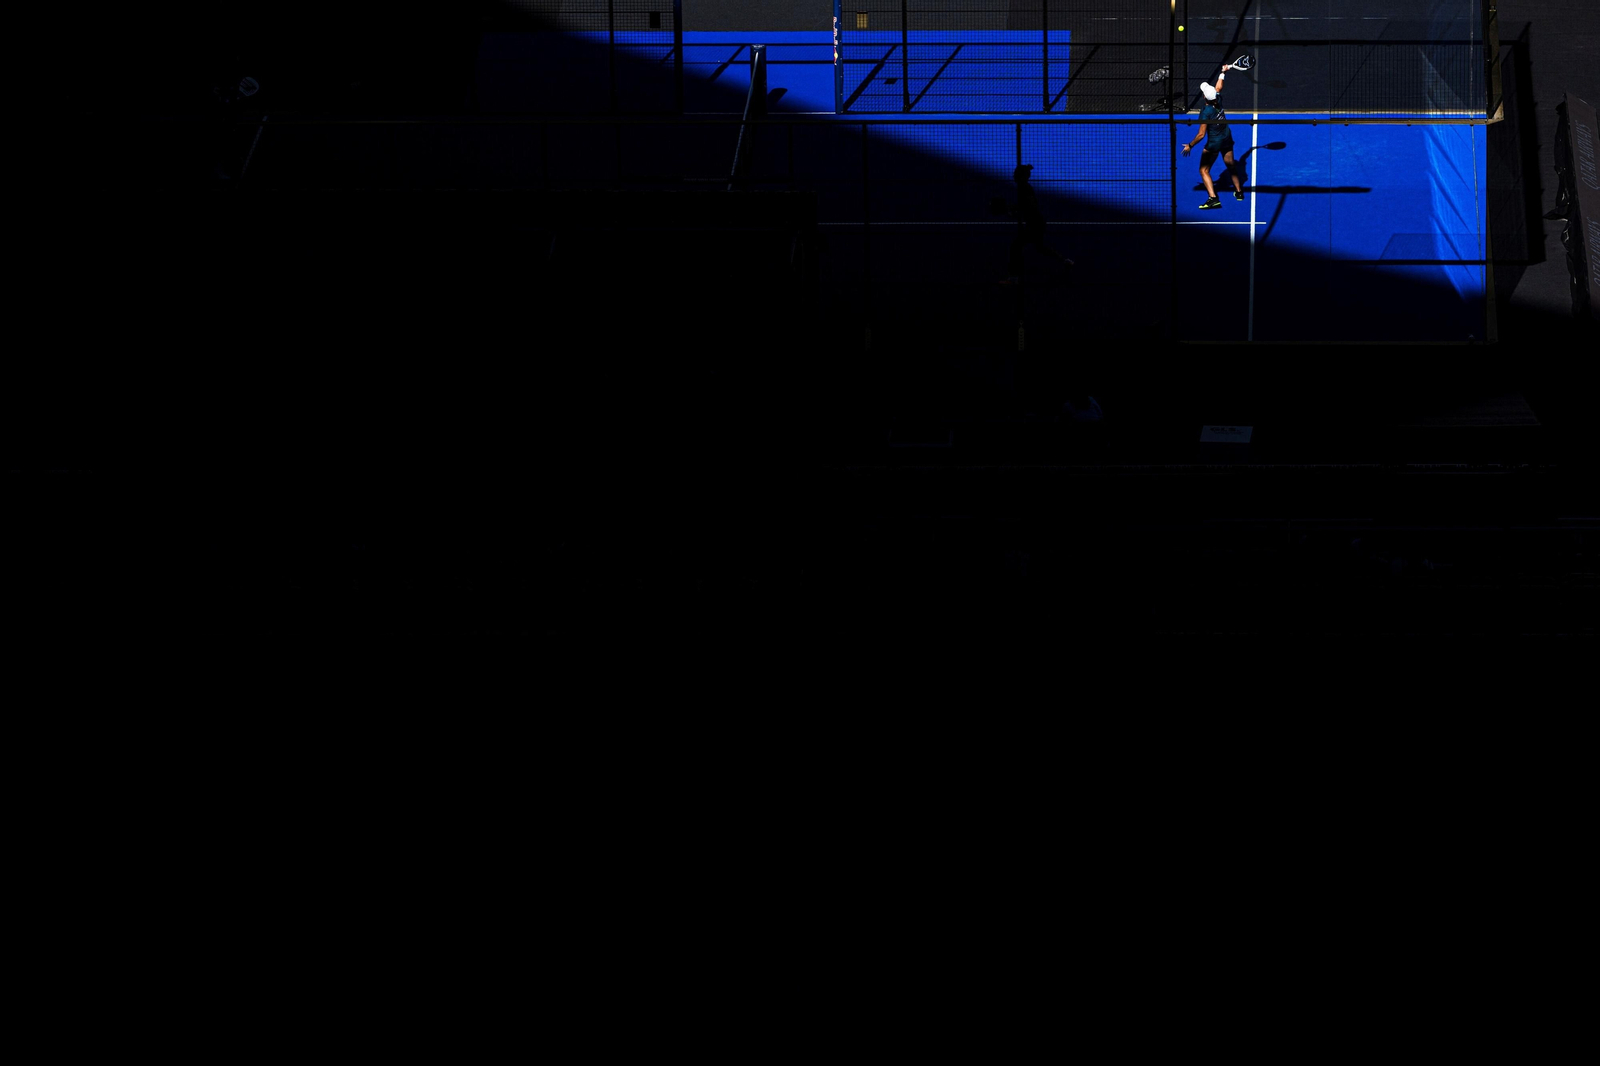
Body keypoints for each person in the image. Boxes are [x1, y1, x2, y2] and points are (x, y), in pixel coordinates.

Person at [999, 164, 1074, 285]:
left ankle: (1013, 279)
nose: (1013, 175)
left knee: (1015, 247)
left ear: (1021, 176)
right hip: (1037, 222)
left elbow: (1029, 207)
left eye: (1016, 173)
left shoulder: (1023, 188)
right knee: (1040, 247)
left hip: (1034, 224)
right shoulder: (1024, 187)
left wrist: (1014, 212)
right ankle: (1066, 261)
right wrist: (1014, 210)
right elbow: (1025, 206)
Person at [1182, 66, 1245, 210]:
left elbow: (1201, 134)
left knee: (1203, 171)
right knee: (1231, 166)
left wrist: (1190, 145)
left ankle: (1213, 198)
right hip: (1226, 138)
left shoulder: (1205, 112)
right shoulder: (1218, 99)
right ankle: (1239, 192)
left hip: (1214, 144)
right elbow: (1219, 86)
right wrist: (1223, 72)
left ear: (1204, 97)